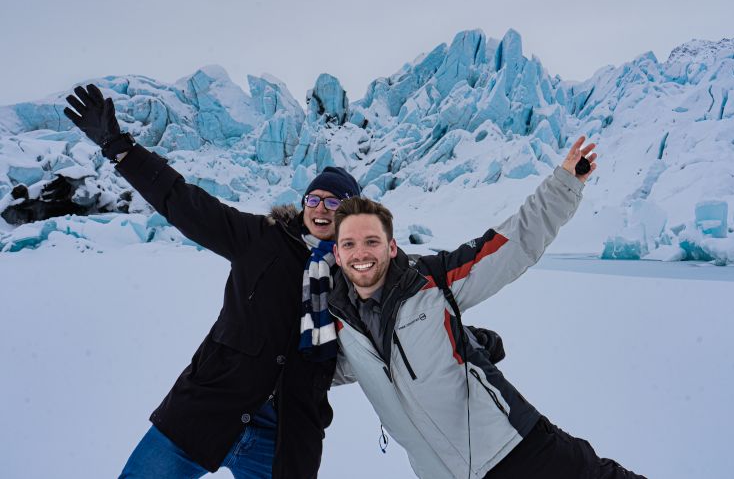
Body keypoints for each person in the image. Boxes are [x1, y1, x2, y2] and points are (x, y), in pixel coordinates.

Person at [63, 84, 360, 478]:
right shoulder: (260, 237)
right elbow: (184, 203)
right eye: (314, 199)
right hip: (205, 407)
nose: (321, 208)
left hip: (285, 434)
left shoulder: (359, 275)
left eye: (334, 202)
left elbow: (406, 312)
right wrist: (121, 149)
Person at [329, 137, 645, 478]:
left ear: (391, 247)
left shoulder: (431, 281)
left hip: (514, 448)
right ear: (337, 254)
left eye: (372, 241)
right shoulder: (341, 326)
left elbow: (510, 245)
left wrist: (563, 185)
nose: (361, 254)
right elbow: (313, 371)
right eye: (349, 244)